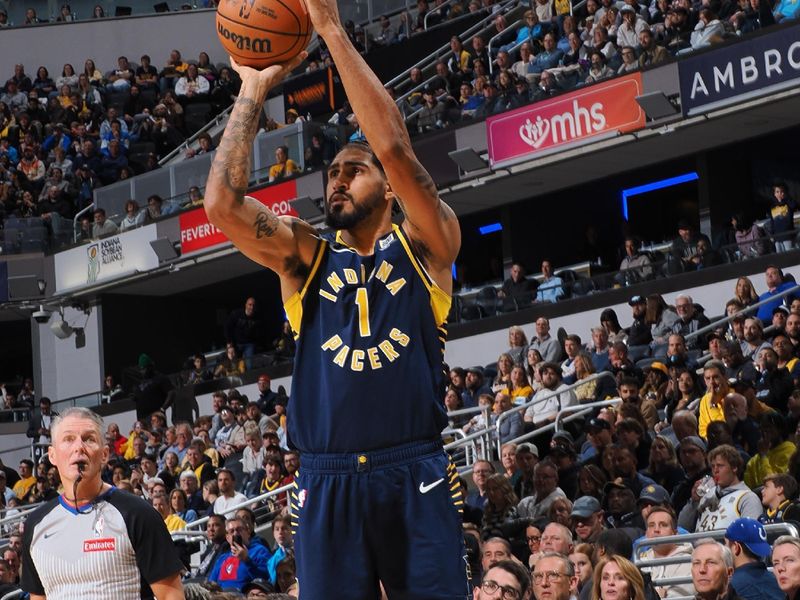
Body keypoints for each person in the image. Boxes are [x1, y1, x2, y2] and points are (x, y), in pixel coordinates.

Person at [204, 0, 465, 594]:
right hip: (326, 479)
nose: (338, 180)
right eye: (333, 174)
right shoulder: (305, 256)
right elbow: (222, 204)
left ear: (391, 192)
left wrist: (329, 31)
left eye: (354, 170)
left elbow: (395, 149)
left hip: (415, 470)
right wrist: (253, 88)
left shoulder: (427, 243)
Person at [20, 407, 184, 599]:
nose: (79, 447)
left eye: (89, 439)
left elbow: (171, 596)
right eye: (68, 439)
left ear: (105, 454)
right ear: (52, 455)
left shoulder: (138, 514)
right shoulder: (36, 524)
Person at [207, 515, 272, 591]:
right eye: (232, 531)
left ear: (248, 532)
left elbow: (264, 580)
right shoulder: (223, 558)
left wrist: (247, 560)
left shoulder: (260, 551)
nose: (235, 534)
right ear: (227, 537)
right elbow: (211, 583)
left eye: (239, 530)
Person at [724, 518, 784, 600]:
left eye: (726, 544)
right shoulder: (779, 581)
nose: (725, 549)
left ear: (736, 547)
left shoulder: (730, 587)